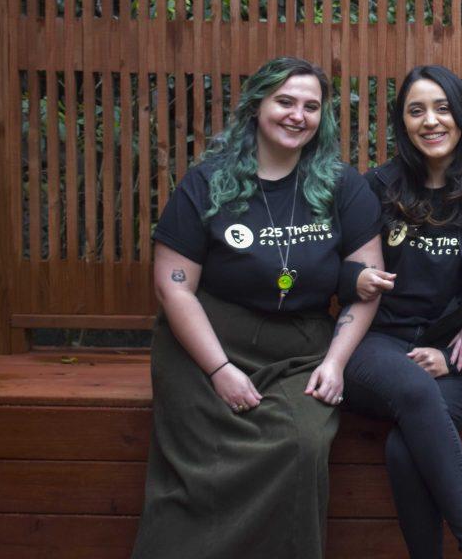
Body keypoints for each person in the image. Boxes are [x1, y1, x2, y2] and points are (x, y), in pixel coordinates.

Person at [132, 56, 386, 558]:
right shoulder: (207, 183)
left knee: (302, 444)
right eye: (285, 102)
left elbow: (365, 287)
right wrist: (220, 369)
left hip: (301, 348)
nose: (298, 115)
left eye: (311, 106)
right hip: (206, 344)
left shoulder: (342, 186)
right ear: (256, 108)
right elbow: (174, 289)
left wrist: (335, 363)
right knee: (205, 465)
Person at [336, 65, 462, 559]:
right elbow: (337, 271)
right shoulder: (377, 187)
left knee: (406, 450)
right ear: (402, 122)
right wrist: (353, 279)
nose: (431, 121)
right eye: (416, 110)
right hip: (378, 346)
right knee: (411, 387)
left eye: (443, 108)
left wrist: (451, 357)